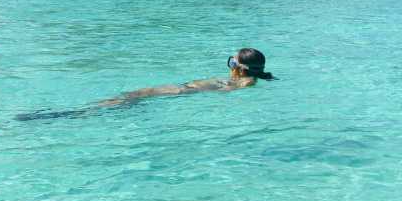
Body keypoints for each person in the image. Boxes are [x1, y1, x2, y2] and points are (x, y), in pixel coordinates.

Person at [15, 48, 274, 121]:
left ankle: (68, 115)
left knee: (131, 96)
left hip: (181, 91)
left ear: (238, 69)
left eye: (231, 62)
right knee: (129, 98)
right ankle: (72, 114)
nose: (228, 66)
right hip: (183, 91)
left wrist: (232, 85)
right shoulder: (248, 79)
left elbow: (237, 88)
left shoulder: (244, 82)